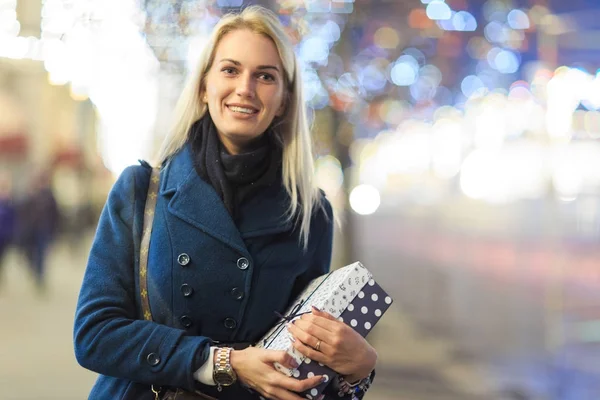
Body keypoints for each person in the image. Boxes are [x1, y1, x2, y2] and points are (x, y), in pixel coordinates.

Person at [74, 6, 377, 400]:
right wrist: (224, 363)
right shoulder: (140, 190)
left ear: (284, 99)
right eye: (230, 70)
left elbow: (302, 373)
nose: (245, 89)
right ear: (203, 86)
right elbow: (94, 335)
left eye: (265, 76)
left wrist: (358, 370)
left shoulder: (310, 212)